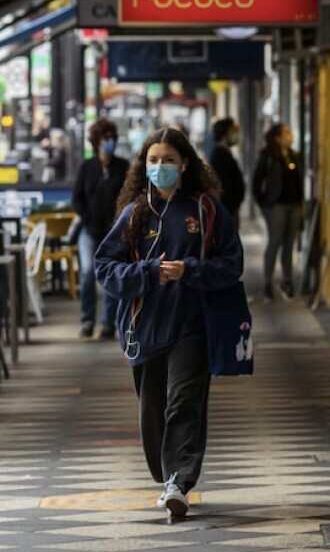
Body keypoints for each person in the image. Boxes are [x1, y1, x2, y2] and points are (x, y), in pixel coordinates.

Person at [95, 128, 242, 519]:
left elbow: (232, 264)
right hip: (144, 328)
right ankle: (167, 476)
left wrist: (189, 270)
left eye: (169, 160)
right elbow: (105, 268)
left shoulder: (206, 210)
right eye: (154, 160)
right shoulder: (133, 215)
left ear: (185, 165)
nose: (160, 167)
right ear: (144, 166)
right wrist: (147, 273)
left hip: (193, 325)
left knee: (185, 402)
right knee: (152, 407)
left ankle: (179, 481)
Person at [72, 119, 130, 339]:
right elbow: (76, 198)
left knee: (110, 276)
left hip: (114, 233)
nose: (109, 142)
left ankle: (108, 323)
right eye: (105, 138)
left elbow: (129, 195)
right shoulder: (87, 167)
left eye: (111, 138)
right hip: (89, 230)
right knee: (87, 272)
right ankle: (87, 320)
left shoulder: (123, 167)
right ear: (95, 142)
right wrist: (86, 216)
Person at [252, 123, 303, 301]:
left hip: (294, 205)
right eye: (287, 133)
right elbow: (256, 182)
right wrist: (265, 204)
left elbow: (299, 181)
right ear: (277, 137)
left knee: (289, 244)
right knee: (274, 242)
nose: (290, 136)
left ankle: (287, 281)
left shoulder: (294, 155)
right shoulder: (268, 156)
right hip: (277, 206)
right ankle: (268, 282)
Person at [210, 118, 246, 224]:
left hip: (230, 208)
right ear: (224, 134)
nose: (236, 134)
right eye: (233, 131)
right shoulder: (219, 155)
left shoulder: (225, 153)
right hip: (226, 208)